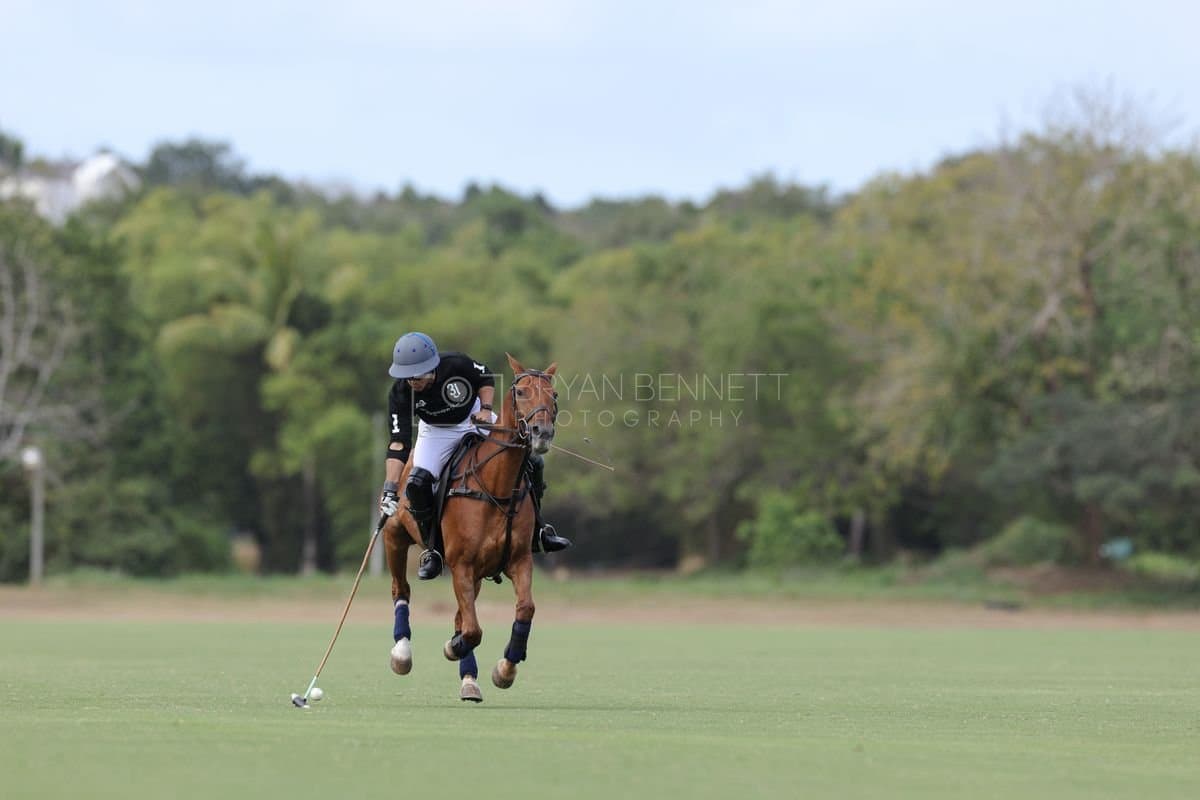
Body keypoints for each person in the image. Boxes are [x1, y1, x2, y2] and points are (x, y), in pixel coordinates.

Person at [380, 331, 571, 579]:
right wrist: (390, 487)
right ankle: (434, 551)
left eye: (418, 374)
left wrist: (487, 409)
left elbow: (485, 376)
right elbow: (398, 444)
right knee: (417, 484)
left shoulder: (455, 364)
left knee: (534, 462)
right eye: (407, 376)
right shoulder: (400, 394)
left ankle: (538, 530)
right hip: (436, 432)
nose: (413, 381)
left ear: (432, 366)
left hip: (475, 418)